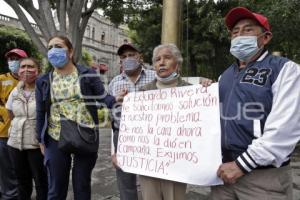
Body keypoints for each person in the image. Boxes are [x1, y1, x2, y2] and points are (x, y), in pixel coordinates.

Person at [208, 7, 300, 200]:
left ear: (265, 38)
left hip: (263, 180)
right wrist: (204, 93)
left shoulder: (285, 69)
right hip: (222, 176)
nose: (240, 35)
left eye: (248, 30)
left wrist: (242, 165)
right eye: (235, 32)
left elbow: (285, 128)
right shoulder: (223, 76)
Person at [35, 35, 116, 200]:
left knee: (82, 185)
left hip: (85, 135)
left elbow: (103, 97)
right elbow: (40, 111)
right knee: (55, 188)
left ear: (70, 52)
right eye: (50, 48)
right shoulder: (43, 80)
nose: (53, 51)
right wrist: (40, 138)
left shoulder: (87, 73)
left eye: (58, 46)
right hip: (55, 136)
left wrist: (119, 100)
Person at [138, 43, 190, 200]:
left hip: (177, 163)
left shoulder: (192, 91)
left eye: (167, 58)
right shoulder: (143, 92)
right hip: (149, 162)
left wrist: (206, 90)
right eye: (157, 59)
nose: (161, 62)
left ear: (177, 64)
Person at [108, 43, 155, 200]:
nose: (127, 59)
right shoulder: (114, 83)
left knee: (152, 181)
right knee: (126, 183)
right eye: (123, 57)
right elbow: (112, 120)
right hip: (122, 137)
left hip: (151, 137)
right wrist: (113, 151)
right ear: (119, 62)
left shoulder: (154, 77)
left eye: (131, 55)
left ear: (140, 57)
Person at [6, 57, 47, 200]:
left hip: (37, 145)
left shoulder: (44, 89)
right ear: (19, 70)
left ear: (38, 70)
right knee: (21, 182)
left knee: (42, 182)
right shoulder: (15, 92)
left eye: (30, 67)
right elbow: (11, 113)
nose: (26, 70)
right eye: (23, 67)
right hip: (16, 144)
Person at [0, 48, 28, 200]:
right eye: (10, 58)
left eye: (16, 58)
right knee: (5, 168)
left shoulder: (30, 82)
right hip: (4, 132)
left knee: (21, 168)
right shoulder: (2, 79)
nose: (13, 61)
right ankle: (8, 195)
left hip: (25, 134)